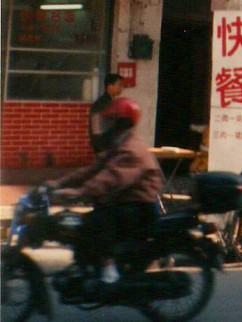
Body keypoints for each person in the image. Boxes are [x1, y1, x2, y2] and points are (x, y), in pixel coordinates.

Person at [46, 98, 163, 285]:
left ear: (121, 123)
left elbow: (110, 179)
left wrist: (79, 192)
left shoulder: (131, 150)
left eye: (110, 121)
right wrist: (57, 184)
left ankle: (109, 269)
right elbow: (93, 169)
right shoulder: (120, 144)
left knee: (97, 220)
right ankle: (85, 262)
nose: (107, 126)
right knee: (79, 222)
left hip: (138, 206)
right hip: (126, 200)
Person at [91, 74, 125, 153]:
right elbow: (97, 128)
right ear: (110, 86)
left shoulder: (111, 102)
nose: (121, 88)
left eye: (122, 86)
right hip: (104, 147)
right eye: (119, 85)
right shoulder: (102, 104)